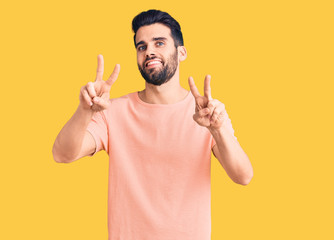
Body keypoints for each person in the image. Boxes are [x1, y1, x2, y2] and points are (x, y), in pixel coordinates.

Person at [52, 9, 253, 240]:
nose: (149, 52)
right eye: (142, 46)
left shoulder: (207, 114)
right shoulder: (112, 111)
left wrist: (217, 130)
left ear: (182, 52)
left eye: (159, 43)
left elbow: (243, 176)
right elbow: (62, 154)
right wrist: (84, 111)